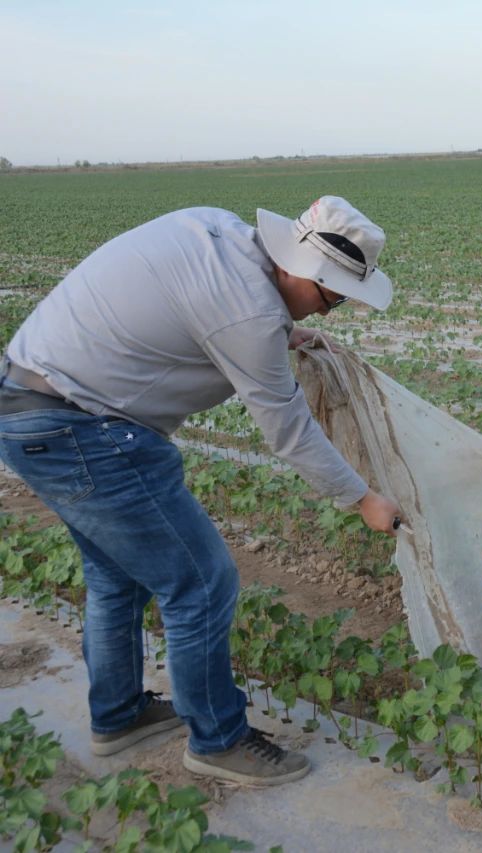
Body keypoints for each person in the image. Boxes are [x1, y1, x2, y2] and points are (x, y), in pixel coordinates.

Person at [0, 196, 401, 786]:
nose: (332, 311)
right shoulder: (247, 315)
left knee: (116, 577)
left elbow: (202, 313)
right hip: (87, 430)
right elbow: (287, 430)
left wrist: (281, 338)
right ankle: (218, 739)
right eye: (332, 296)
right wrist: (364, 499)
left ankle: (120, 717)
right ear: (298, 270)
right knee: (202, 581)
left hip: (30, 409)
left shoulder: (219, 231)